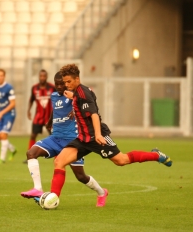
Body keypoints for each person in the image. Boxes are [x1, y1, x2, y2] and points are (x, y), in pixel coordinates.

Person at [47, 64, 173, 207]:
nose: (66, 85)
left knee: (121, 160)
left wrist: (99, 135)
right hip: (82, 139)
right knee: (59, 162)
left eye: (69, 81)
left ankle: (156, 155)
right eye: (65, 82)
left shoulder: (83, 94)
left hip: (96, 137)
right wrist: (73, 96)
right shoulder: (78, 92)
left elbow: (94, 115)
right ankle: (53, 199)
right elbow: (80, 101)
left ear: (77, 79)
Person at [21, 72, 106, 200]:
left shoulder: (75, 96)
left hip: (72, 142)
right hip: (55, 138)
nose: (60, 86)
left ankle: (101, 192)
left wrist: (76, 106)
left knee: (81, 176)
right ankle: (37, 189)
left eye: (63, 84)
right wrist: (49, 122)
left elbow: (89, 100)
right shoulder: (54, 96)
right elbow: (56, 110)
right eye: (57, 84)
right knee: (31, 153)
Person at [25, 70, 55, 161]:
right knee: (33, 135)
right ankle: (30, 156)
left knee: (54, 135)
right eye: (41, 76)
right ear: (39, 76)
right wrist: (29, 110)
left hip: (49, 117)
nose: (42, 78)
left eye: (44, 76)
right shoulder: (34, 88)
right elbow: (31, 100)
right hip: (38, 116)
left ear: (47, 76)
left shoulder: (52, 88)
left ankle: (57, 155)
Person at [0, 69, 17, 164]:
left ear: (4, 76)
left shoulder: (9, 87)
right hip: (1, 114)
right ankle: (12, 149)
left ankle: (2, 159)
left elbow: (13, 104)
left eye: (1, 75)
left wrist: (1, 113)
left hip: (9, 114)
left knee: (3, 135)